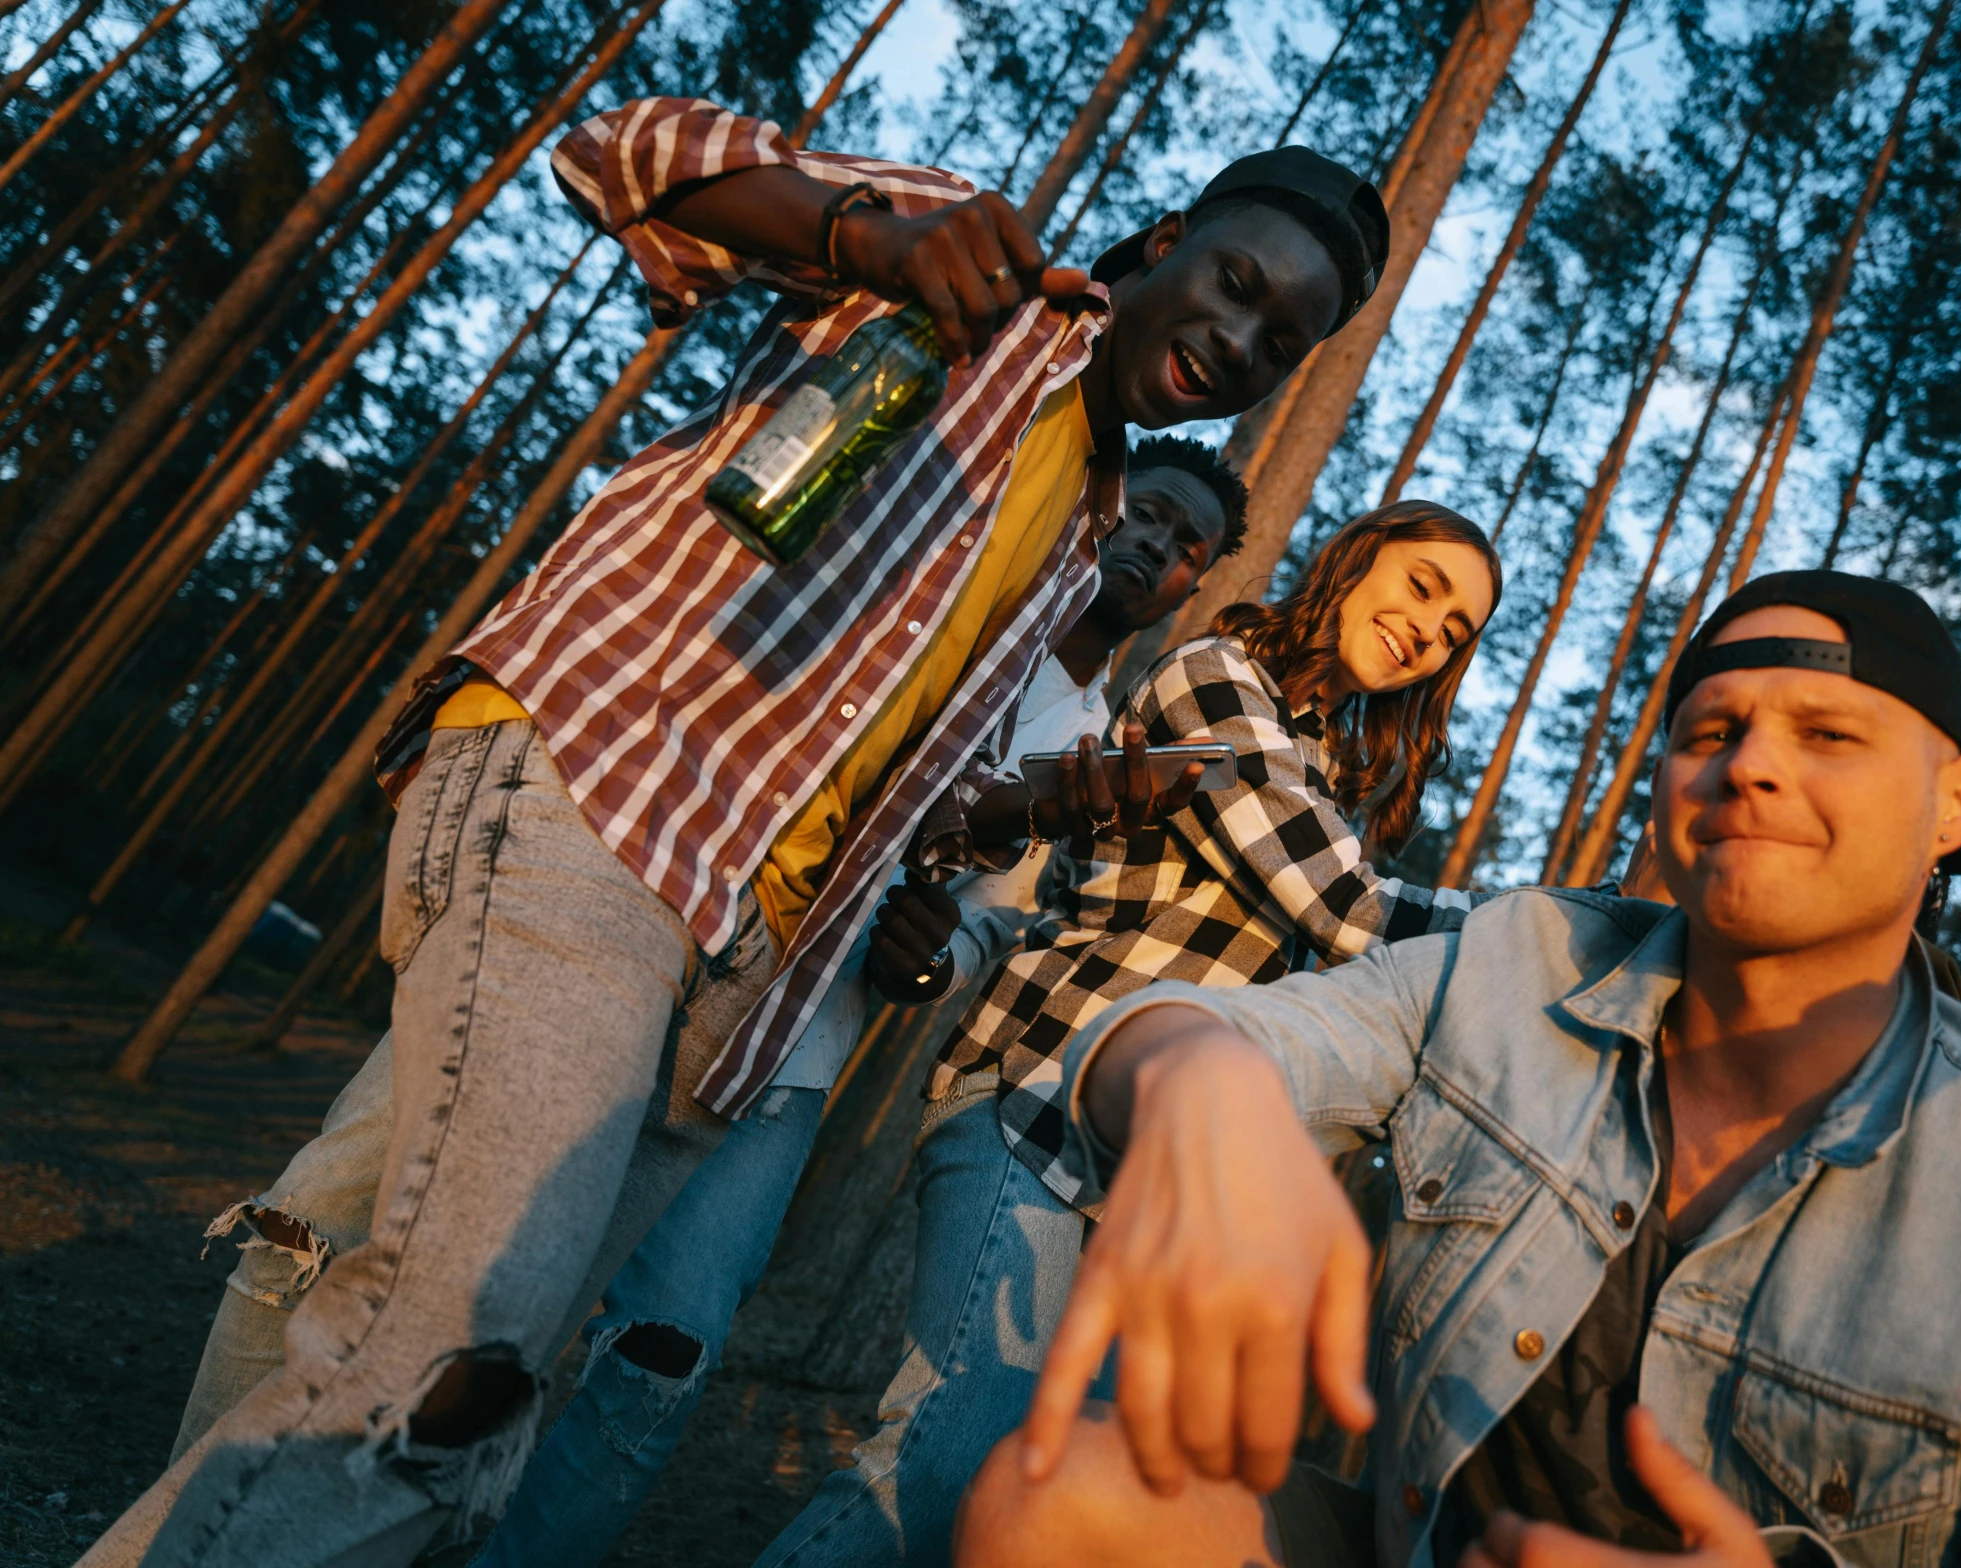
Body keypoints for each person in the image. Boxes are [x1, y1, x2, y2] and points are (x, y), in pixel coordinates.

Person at [86, 89, 1388, 1568]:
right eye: (1234, 284)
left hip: (749, 964)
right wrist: (868, 235)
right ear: (1161, 244)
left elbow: (904, 796)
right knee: (451, 1356)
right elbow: (626, 153)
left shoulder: (1075, 542)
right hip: (606, 787)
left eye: (1284, 343)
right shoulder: (987, 288)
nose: (1242, 339)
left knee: (480, 1407)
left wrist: (1020, 846)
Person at [957, 570, 1961, 1568]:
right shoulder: (1517, 958)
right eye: (1713, 728)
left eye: (1830, 734)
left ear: (1958, 803)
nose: (1751, 761)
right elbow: (1221, 1032)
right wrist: (1203, 1084)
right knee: (1061, 1490)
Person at [466, 438, 1247, 1566]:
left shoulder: (1093, 753)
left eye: (1190, 551)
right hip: (649, 949)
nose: (1160, 548)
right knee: (485, 1293)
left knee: (660, 1358)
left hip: (792, 1056)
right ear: (1101, 504)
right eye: (1152, 514)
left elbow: (985, 929)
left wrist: (925, 958)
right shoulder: (956, 596)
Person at [762, 501, 1504, 1567]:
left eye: (1456, 632)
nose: (1428, 631)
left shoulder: (1324, 772)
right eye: (1422, 588)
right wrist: (1551, 936)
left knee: (1061, 1485)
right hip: (1041, 1096)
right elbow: (1348, 909)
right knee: (944, 1465)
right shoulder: (1214, 681)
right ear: (1353, 562)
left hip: (1162, 1180)